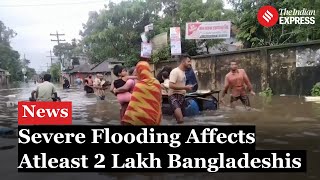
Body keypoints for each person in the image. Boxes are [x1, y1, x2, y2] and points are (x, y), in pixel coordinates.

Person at [122, 61, 162, 125]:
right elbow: (159, 101)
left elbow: (133, 104)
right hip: (153, 116)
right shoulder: (157, 83)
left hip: (138, 118)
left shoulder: (139, 85)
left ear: (139, 72)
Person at [168, 54, 193, 124]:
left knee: (179, 120)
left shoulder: (183, 72)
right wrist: (185, 87)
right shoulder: (175, 71)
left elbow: (180, 85)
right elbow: (171, 85)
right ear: (183, 62)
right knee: (180, 119)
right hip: (174, 96)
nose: (190, 63)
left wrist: (187, 88)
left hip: (182, 97)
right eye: (188, 61)